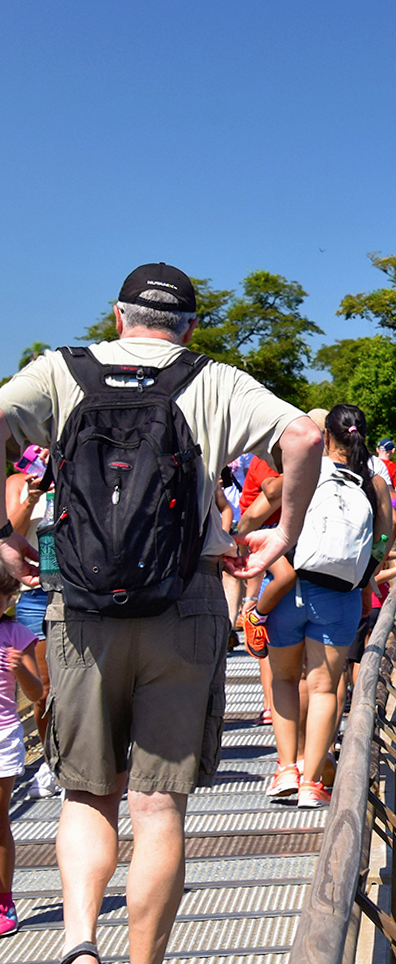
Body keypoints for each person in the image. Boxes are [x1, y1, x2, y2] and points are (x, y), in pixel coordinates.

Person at [0, 261, 323, 964]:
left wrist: (6, 536)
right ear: (190, 326)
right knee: (157, 807)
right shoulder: (214, 379)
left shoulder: (61, 370)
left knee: (87, 795)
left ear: (117, 317)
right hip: (186, 605)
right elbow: (304, 438)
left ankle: (81, 943)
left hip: (82, 613)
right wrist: (285, 532)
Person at [264, 404, 392, 809]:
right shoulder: (375, 482)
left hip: (290, 589)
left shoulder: (309, 468)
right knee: (323, 690)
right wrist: (365, 572)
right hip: (339, 594)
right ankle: (311, 782)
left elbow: (271, 502)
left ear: (326, 434)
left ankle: (286, 767)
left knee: (284, 680)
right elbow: (385, 537)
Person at [5, 447, 57, 796]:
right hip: (36, 592)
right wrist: (32, 498)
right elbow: (9, 534)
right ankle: (53, 764)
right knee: (44, 690)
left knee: (89, 685)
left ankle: (91, 761)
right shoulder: (15, 481)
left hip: (80, 589)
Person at [0, 565, 44, 937]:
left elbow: (36, 695)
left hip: (3, 737)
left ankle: (3, 900)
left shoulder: (17, 635)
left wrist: (21, 672)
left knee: (0, 820)